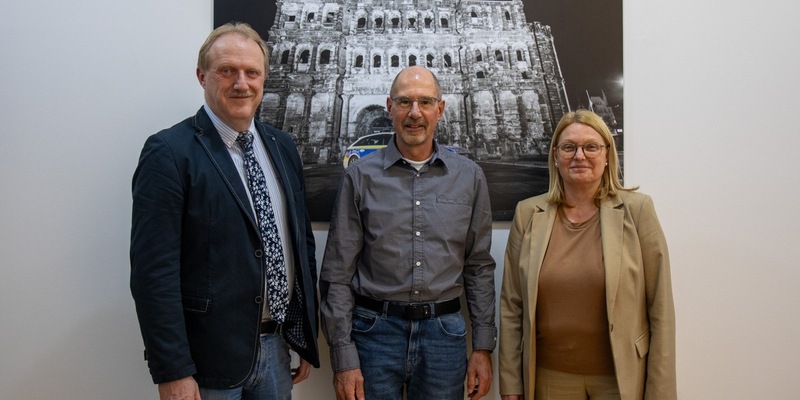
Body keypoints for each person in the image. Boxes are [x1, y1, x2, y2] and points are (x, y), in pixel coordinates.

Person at [130, 23, 319, 400]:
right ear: (202, 76)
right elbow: (154, 273)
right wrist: (173, 370)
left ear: (264, 78)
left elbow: (300, 244)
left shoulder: (282, 147)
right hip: (207, 362)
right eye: (227, 70)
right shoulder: (169, 152)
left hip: (276, 348)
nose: (241, 83)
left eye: (252, 72)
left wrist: (304, 332)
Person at [319, 66, 496, 400]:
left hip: (444, 337)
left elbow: (479, 266)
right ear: (390, 108)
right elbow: (337, 272)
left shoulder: (469, 177)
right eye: (404, 102)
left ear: (440, 109)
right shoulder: (359, 177)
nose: (415, 113)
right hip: (374, 335)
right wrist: (342, 354)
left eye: (425, 102)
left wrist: (483, 346)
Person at [499, 110, 676, 400]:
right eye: (569, 147)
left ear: (607, 155)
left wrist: (660, 392)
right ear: (556, 156)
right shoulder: (528, 214)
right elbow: (511, 306)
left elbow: (661, 307)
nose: (579, 156)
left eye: (591, 147)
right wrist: (510, 384)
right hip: (550, 380)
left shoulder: (637, 210)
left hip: (620, 379)